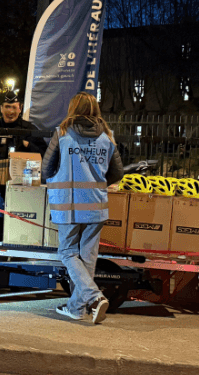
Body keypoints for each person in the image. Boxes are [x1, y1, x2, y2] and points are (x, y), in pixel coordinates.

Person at [42, 92, 124, 324]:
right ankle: (77, 308)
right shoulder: (107, 137)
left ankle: (95, 298)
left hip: (68, 205)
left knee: (67, 252)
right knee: (88, 257)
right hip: (96, 205)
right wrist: (97, 184)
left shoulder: (62, 133)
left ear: (72, 109)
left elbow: (47, 169)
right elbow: (118, 172)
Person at [0, 91, 48, 241]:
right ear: (1, 108)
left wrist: (27, 145)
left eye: (14, 107)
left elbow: (45, 158)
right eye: (7, 107)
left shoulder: (30, 130)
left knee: (22, 233)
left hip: (24, 192)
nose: (10, 111)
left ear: (20, 108)